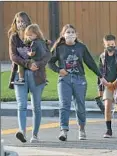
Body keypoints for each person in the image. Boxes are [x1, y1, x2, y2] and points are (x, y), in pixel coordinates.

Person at [48, 24, 105, 141]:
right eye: (67, 32)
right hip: (65, 80)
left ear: (76, 35)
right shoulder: (59, 48)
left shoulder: (81, 47)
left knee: (80, 106)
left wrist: (100, 76)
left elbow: (90, 63)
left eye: (72, 32)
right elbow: (50, 62)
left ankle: (82, 129)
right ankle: (63, 130)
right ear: (63, 35)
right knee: (64, 104)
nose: (70, 34)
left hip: (79, 79)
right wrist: (59, 70)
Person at [8, 11, 51, 143]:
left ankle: (35, 135)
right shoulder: (14, 38)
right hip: (19, 75)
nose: (20, 24)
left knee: (36, 106)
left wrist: (37, 64)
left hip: (36, 74)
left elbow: (47, 55)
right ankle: (22, 132)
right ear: (15, 23)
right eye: (18, 21)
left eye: (23, 21)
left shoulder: (36, 37)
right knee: (21, 105)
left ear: (28, 21)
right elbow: (13, 56)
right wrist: (28, 64)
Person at [95, 34, 117, 138]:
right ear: (104, 45)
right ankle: (109, 130)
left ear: (115, 44)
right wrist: (100, 88)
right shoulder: (102, 57)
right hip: (107, 84)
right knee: (107, 106)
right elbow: (99, 73)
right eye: (108, 44)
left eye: (112, 44)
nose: (111, 46)